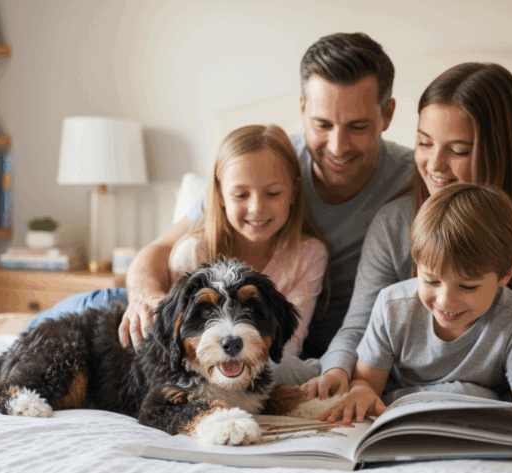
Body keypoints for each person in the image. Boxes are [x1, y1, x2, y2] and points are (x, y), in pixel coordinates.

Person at [306, 62, 512, 414]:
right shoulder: (395, 220)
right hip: (405, 378)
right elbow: (360, 325)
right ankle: (463, 402)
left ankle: (471, 401)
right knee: (311, 370)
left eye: (459, 150)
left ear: (498, 149)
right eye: (424, 143)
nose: (434, 164)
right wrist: (337, 369)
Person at [119, 32, 415, 362]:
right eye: (322, 124)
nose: (338, 146)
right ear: (302, 109)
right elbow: (159, 250)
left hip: (306, 349)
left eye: (357, 127)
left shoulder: (415, 179)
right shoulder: (266, 164)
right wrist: (144, 295)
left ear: (387, 115)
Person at [27, 124, 328, 356]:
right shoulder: (195, 249)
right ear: (220, 196)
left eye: (273, 193)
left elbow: (288, 347)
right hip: (117, 309)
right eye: (240, 195)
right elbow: (179, 341)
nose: (257, 208)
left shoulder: (308, 255)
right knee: (40, 336)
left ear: (294, 191)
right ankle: (20, 322)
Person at [321, 183, 512, 430]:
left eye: (468, 286)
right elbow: (366, 382)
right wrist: (361, 393)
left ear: (506, 274)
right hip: (397, 402)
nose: (445, 301)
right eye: (431, 280)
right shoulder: (391, 306)